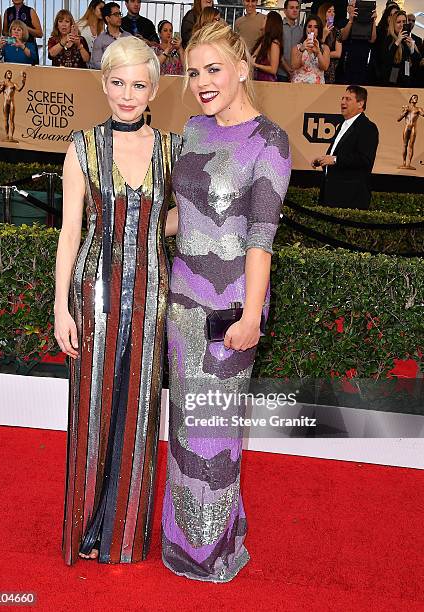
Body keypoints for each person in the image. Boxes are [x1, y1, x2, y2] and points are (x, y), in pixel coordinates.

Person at [162, 21, 291, 583]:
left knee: (213, 427)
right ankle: (181, 540)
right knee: (185, 424)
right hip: (181, 305)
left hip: (229, 311)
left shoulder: (270, 140)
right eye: (193, 72)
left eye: (213, 69)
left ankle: (213, 550)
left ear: (242, 68)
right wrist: (122, 215)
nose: (202, 83)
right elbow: (176, 217)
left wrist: (249, 316)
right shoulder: (190, 131)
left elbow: (260, 239)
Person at [56, 35, 182, 565]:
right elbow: (69, 232)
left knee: (138, 414)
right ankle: (85, 527)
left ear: (153, 88)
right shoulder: (81, 146)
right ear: (102, 83)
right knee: (92, 410)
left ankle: (124, 537)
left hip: (153, 298)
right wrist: (59, 305)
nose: (127, 95)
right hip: (93, 296)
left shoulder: (176, 148)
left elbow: (181, 219)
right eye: (117, 82)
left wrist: (156, 224)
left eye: (138, 84)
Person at [312, 85, 379, 210]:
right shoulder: (343, 125)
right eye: (342, 98)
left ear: (360, 104)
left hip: (349, 198)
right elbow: (341, 154)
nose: (342, 102)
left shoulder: (367, 127)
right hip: (331, 194)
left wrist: (335, 160)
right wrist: (323, 160)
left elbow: (365, 160)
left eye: (348, 99)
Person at [377, 11, 421, 87]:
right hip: (393, 77)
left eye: (404, 22)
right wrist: (397, 42)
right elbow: (386, 61)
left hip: (407, 78)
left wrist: (412, 48)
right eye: (398, 22)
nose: (401, 25)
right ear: (393, 24)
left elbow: (417, 62)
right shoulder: (388, 39)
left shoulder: (408, 40)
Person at [339, 1, 377, 84]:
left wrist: (373, 21)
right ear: (348, 8)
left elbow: (372, 39)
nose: (355, 8)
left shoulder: (368, 23)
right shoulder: (343, 22)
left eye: (357, 6)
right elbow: (343, 37)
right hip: (347, 60)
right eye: (353, 5)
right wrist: (350, 21)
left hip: (363, 61)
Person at [89, 2, 131, 70]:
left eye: (120, 14)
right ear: (107, 18)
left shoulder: (128, 37)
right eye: (116, 14)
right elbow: (96, 63)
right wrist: (113, 68)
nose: (120, 17)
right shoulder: (99, 40)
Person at [291, 15, 330, 83]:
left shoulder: (325, 48)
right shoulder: (297, 48)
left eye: (316, 27)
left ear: (319, 30)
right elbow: (294, 66)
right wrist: (302, 49)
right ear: (305, 29)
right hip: (299, 86)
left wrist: (318, 52)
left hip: (317, 88)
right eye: (309, 26)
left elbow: (325, 67)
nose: (312, 29)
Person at [251, 10, 283, 81]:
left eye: (265, 18)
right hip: (258, 80)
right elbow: (253, 56)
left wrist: (256, 65)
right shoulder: (263, 40)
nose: (263, 20)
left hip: (267, 82)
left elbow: (273, 69)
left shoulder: (274, 43)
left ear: (270, 22)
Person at [0, 68, 26, 142]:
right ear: (6, 75)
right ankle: (6, 136)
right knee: (6, 119)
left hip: (12, 102)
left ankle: (11, 136)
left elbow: (19, 90)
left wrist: (23, 83)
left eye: (11, 73)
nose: (10, 74)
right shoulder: (4, 83)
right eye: (9, 73)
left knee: (12, 120)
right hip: (6, 102)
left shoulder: (14, 84)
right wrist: (1, 88)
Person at [277, 0, 303, 82]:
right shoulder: (279, 28)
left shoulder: (302, 30)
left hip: (298, 75)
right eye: (291, 8)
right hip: (280, 73)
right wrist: (286, 67)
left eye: (297, 8)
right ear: (285, 10)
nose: (295, 10)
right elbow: (276, 50)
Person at [397, 94, 424, 170]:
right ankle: (404, 163)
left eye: (417, 98)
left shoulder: (418, 109)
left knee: (411, 145)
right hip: (406, 127)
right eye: (414, 97)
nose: (416, 99)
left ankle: (409, 164)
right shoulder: (407, 108)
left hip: (413, 128)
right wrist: (404, 112)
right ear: (411, 99)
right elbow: (398, 119)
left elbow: (423, 114)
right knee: (405, 145)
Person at [317, 2, 341, 83]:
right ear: (323, 13)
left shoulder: (336, 31)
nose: (332, 14)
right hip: (316, 67)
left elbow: (338, 53)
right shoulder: (317, 29)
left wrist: (324, 54)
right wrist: (324, 35)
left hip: (331, 69)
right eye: (329, 11)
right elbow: (313, 50)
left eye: (333, 11)